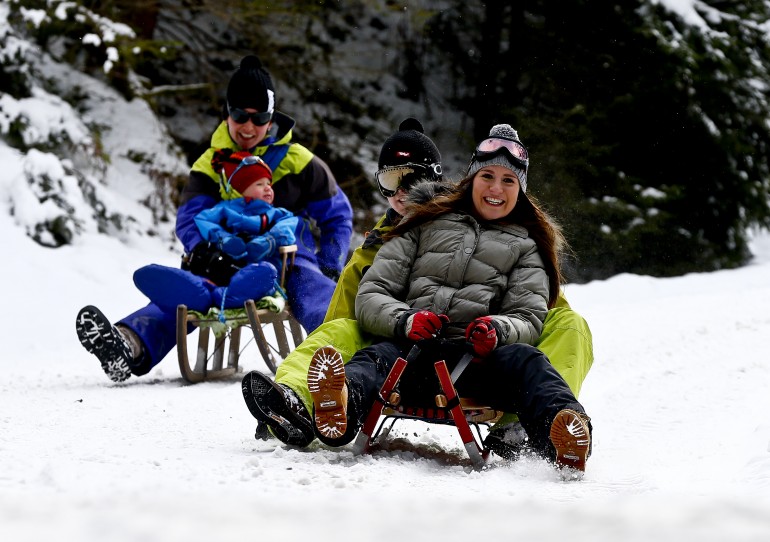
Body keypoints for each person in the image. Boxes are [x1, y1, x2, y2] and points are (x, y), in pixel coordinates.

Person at [305, 124, 593, 473]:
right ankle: (341, 407)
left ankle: (564, 433)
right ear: (471, 177)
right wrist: (406, 319)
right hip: (410, 356)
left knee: (529, 361)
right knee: (374, 359)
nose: (496, 189)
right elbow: (373, 293)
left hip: (475, 366)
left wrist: (497, 330)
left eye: (508, 181)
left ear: (520, 191)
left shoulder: (526, 248)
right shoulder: (423, 223)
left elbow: (528, 316)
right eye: (488, 175)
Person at [75, 54, 353, 383]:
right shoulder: (212, 162)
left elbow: (337, 215)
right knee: (190, 295)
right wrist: (202, 249)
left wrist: (331, 260)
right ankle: (129, 343)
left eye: (258, 117)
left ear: (271, 118)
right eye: (239, 115)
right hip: (228, 255)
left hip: (288, 255)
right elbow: (190, 215)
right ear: (227, 113)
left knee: (314, 291)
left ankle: (339, 354)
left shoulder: (298, 160)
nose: (248, 126)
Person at [241, 117, 446, 446]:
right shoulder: (378, 239)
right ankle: (291, 401)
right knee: (335, 332)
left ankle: (330, 405)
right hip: (381, 328)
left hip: (430, 342)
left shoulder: (454, 227)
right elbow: (344, 307)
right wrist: (334, 338)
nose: (400, 192)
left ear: (432, 177)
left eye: (410, 178)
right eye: (389, 180)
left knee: (371, 354)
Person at [131, 150, 297, 313]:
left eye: (269, 183)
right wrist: (222, 238)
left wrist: (270, 241)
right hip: (227, 268)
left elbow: (287, 226)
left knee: (265, 273)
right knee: (208, 276)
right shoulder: (227, 208)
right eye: (259, 184)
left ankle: (225, 296)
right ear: (241, 189)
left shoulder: (277, 213)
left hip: (261, 268)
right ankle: (197, 291)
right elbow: (203, 219)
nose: (267, 188)